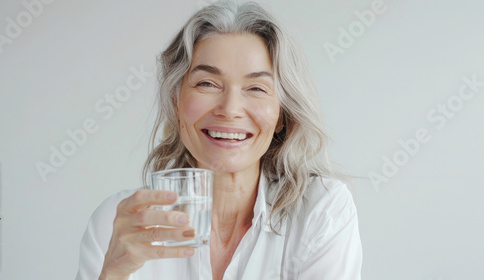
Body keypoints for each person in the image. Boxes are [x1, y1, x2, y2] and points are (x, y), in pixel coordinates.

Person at [76, 1, 363, 279]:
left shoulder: (322, 210)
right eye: (207, 83)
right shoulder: (119, 222)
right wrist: (113, 274)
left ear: (282, 116)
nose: (229, 109)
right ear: (176, 102)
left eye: (256, 88)